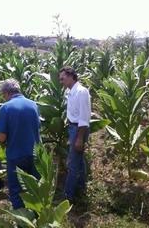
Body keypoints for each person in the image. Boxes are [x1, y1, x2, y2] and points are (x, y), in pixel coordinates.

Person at [0, 78, 41, 209]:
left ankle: (22, 221)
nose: (3, 98)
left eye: (3, 95)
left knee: (16, 191)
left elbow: (2, 137)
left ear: (7, 93)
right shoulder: (33, 104)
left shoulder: (6, 108)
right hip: (35, 154)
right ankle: (37, 216)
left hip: (16, 155)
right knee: (35, 188)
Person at [59, 66, 91, 202]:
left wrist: (79, 138)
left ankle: (68, 196)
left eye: (63, 78)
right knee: (79, 160)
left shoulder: (81, 92)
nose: (61, 81)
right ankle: (81, 188)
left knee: (72, 163)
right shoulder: (70, 91)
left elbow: (84, 117)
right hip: (73, 128)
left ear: (72, 76)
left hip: (79, 129)